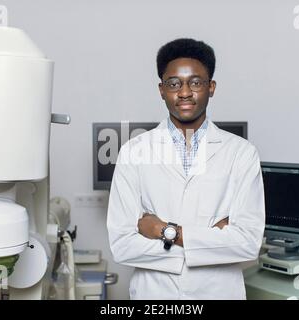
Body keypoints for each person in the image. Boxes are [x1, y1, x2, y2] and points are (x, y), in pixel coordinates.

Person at [107, 38, 265, 300]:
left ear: (211, 87)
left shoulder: (241, 153)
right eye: (174, 83)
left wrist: (163, 231)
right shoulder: (133, 152)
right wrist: (212, 240)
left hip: (217, 293)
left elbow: (248, 244)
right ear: (161, 89)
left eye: (195, 82)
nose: (184, 93)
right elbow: (123, 246)